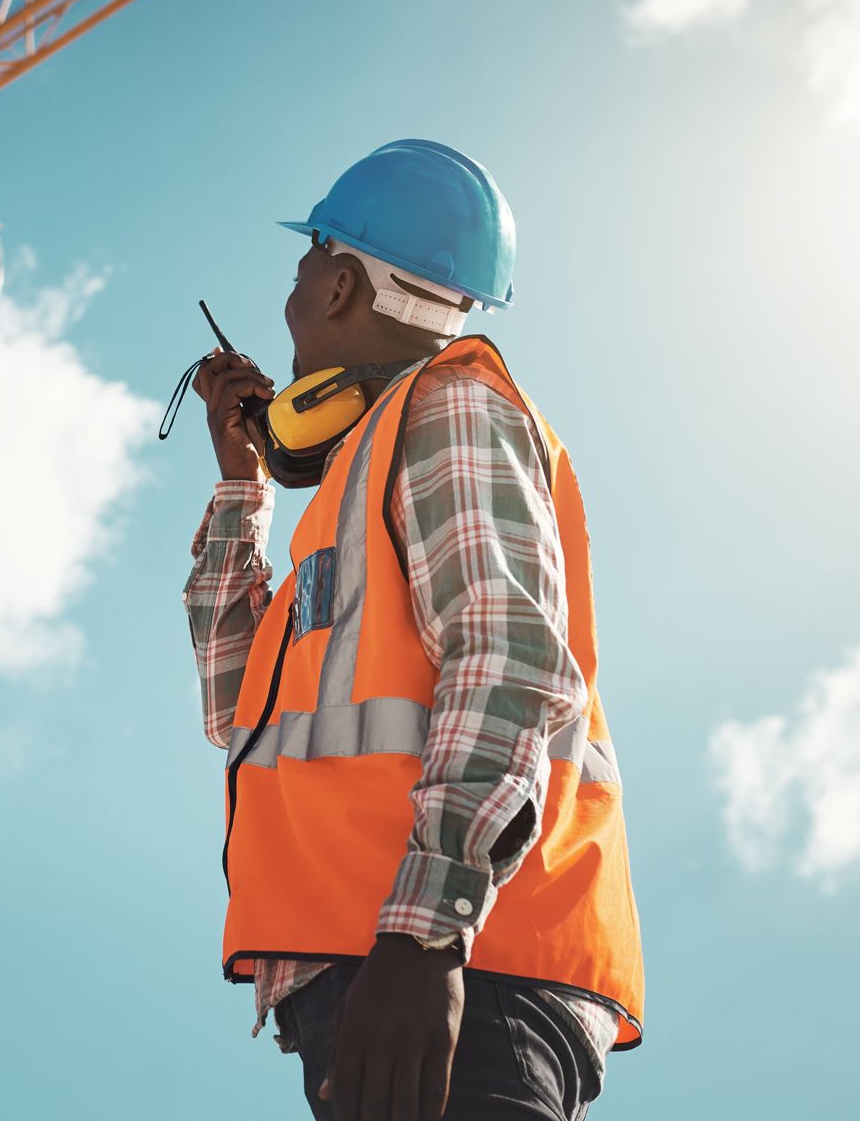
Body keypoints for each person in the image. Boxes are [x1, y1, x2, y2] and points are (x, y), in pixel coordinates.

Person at [184, 140, 644, 1120]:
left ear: (345, 281)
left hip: (448, 965)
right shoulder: (357, 481)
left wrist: (424, 933)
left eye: (305, 264)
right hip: (381, 968)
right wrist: (240, 487)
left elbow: (508, 658)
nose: (294, 293)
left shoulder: (450, 408)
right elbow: (238, 710)